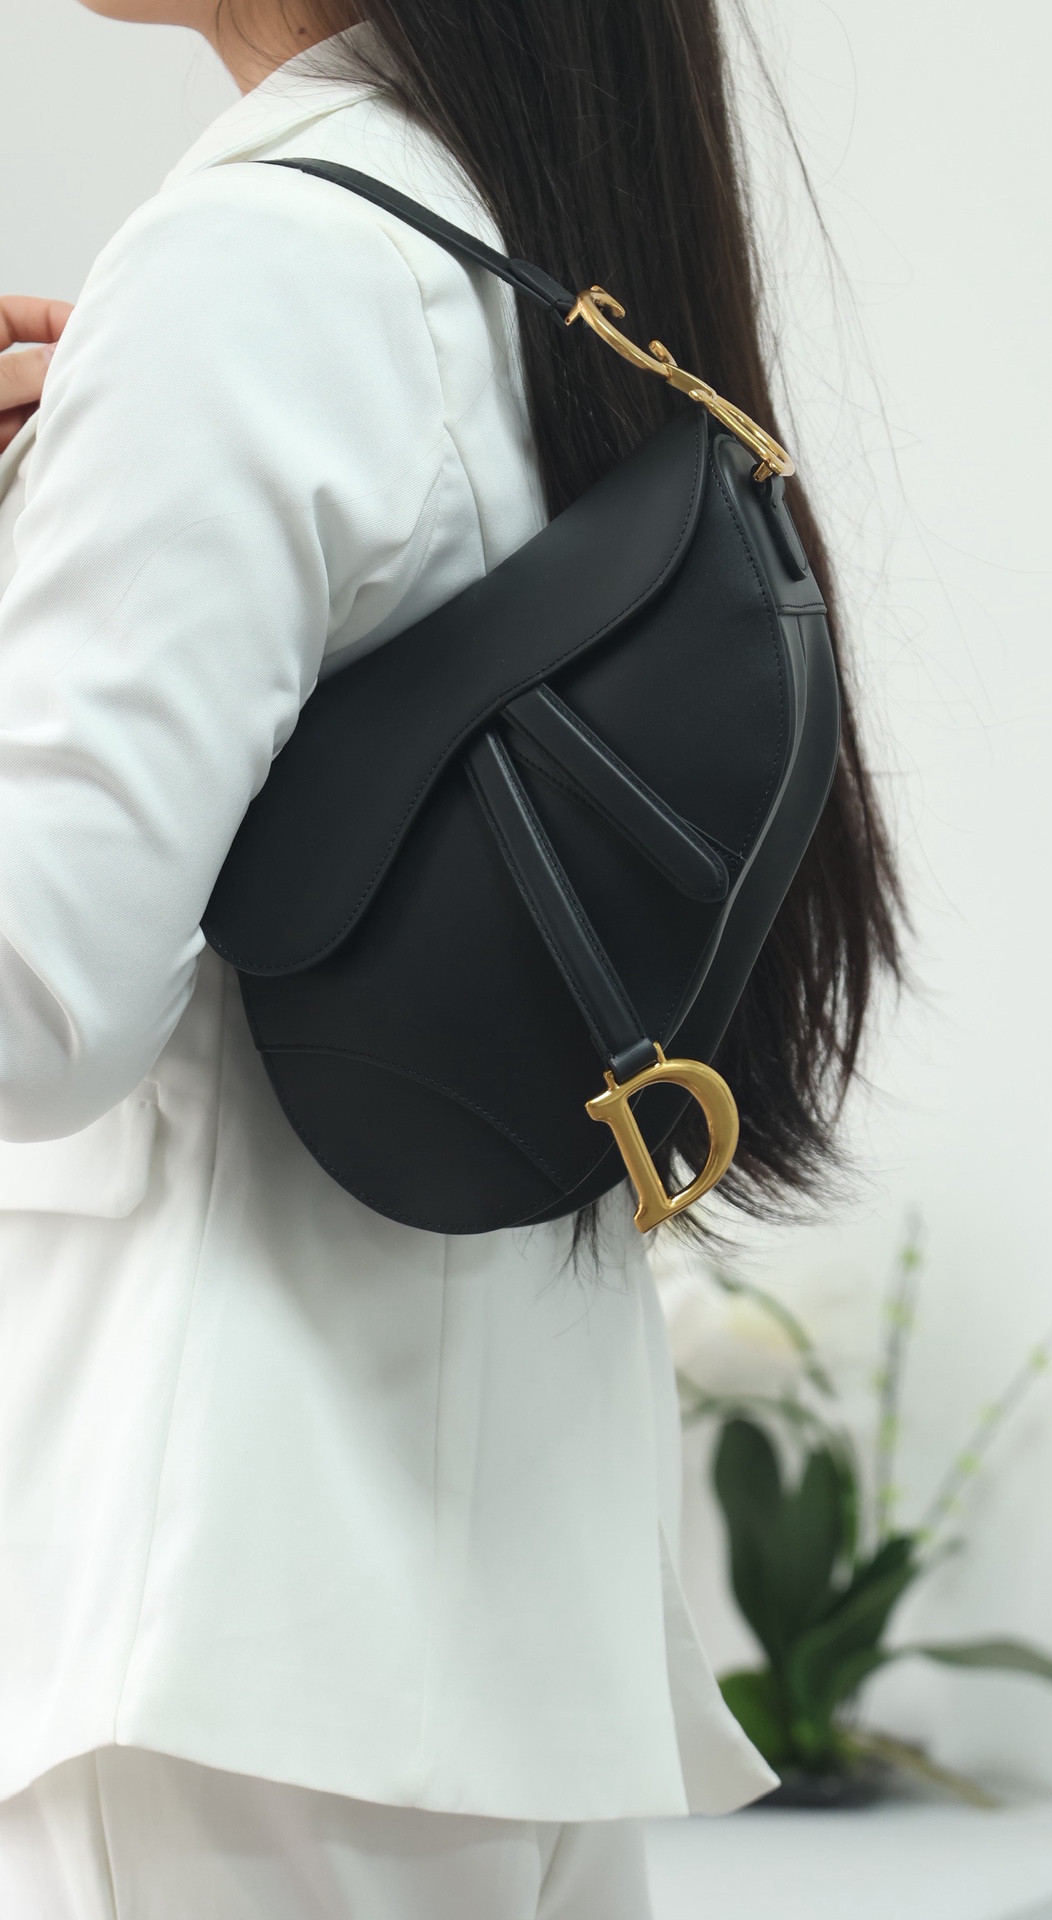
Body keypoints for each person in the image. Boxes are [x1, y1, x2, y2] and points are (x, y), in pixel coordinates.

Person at [0, 1, 899, 1913]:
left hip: (217, 1616)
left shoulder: (248, 265)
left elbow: (33, 1007)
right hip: (483, 1622)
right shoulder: (518, 253)